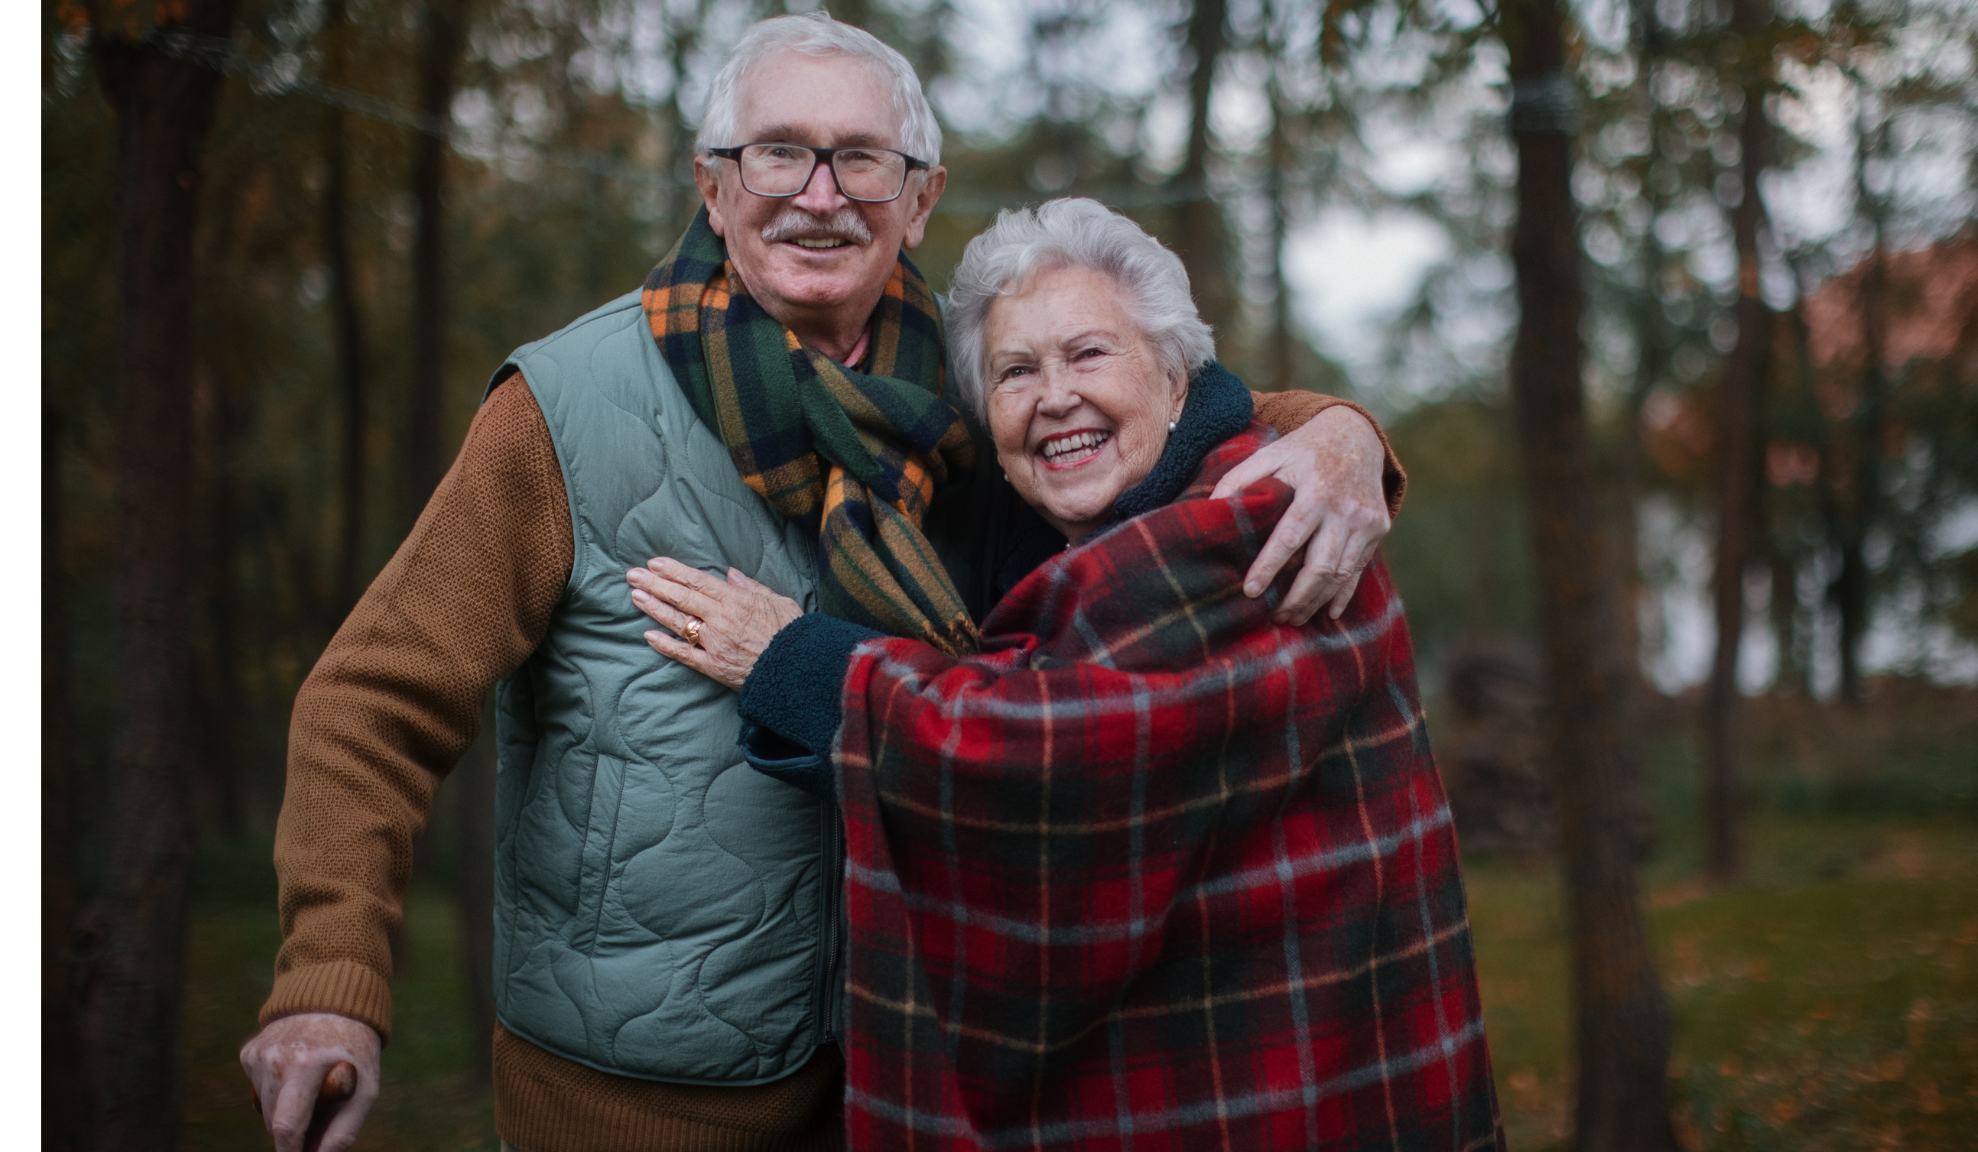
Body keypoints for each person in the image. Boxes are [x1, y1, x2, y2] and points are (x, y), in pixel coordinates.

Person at [239, 16, 1407, 1152]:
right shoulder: (566, 405)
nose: (819, 192)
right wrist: (326, 982)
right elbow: (372, 702)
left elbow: (1168, 416)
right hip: (640, 1093)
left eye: (861, 159)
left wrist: (1343, 433)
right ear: (711, 186)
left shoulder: (974, 400)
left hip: (903, 1070)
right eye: (778, 153)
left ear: (919, 199)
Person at [629, 198, 1499, 1150]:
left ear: (1176, 380)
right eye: (1014, 373)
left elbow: (1034, 752)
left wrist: (788, 658)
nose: (1053, 397)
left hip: (1287, 1084)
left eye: (1089, 355)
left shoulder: (1255, 520)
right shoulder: (1074, 539)